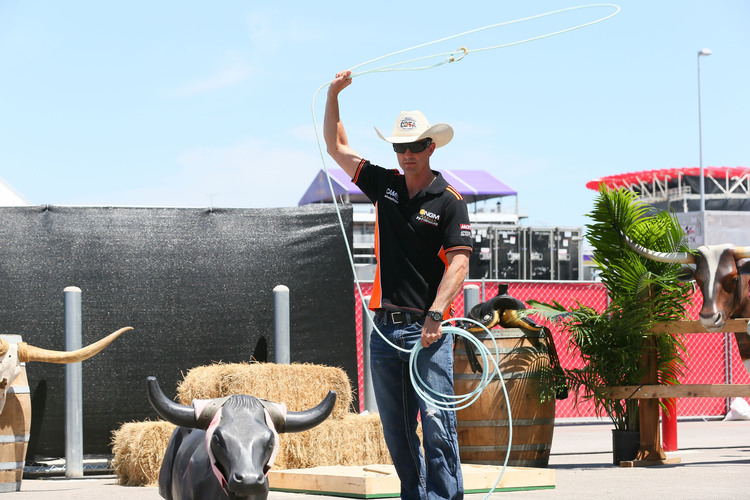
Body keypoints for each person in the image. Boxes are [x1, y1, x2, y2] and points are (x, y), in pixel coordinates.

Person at [324, 70, 472, 500]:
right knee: (397, 430)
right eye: (399, 147)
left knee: (439, 425)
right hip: (384, 330)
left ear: (430, 147)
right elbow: (337, 147)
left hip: (427, 331)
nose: (407, 154)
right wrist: (334, 94)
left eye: (414, 147)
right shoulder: (384, 184)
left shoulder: (448, 201)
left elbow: (458, 264)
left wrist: (435, 314)